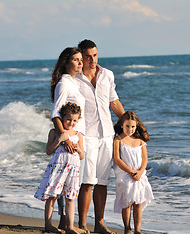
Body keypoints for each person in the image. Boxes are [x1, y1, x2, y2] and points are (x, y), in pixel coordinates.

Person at [76, 39, 125, 234]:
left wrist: (130, 122)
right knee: (87, 182)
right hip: (86, 136)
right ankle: (81, 224)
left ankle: (99, 223)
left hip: (107, 136)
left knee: (102, 183)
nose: (92, 60)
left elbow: (114, 102)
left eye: (95, 55)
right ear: (81, 56)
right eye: (88, 56)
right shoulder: (74, 78)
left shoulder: (108, 75)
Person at [34, 102, 85, 234]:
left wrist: (79, 149)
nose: (71, 123)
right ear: (62, 118)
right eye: (68, 119)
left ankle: (71, 226)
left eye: (74, 120)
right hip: (58, 167)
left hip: (73, 170)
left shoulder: (78, 135)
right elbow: (48, 151)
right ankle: (48, 224)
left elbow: (82, 156)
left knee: (70, 197)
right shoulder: (54, 132)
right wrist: (59, 140)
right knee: (52, 195)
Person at [112, 111, 154, 234]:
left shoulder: (140, 141)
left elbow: (145, 158)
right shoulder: (118, 139)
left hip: (139, 175)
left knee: (138, 202)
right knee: (127, 202)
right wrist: (130, 171)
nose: (130, 129)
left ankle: (137, 229)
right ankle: (127, 228)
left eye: (133, 127)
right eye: (127, 126)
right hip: (125, 175)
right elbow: (117, 159)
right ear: (121, 125)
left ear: (136, 127)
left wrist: (140, 172)